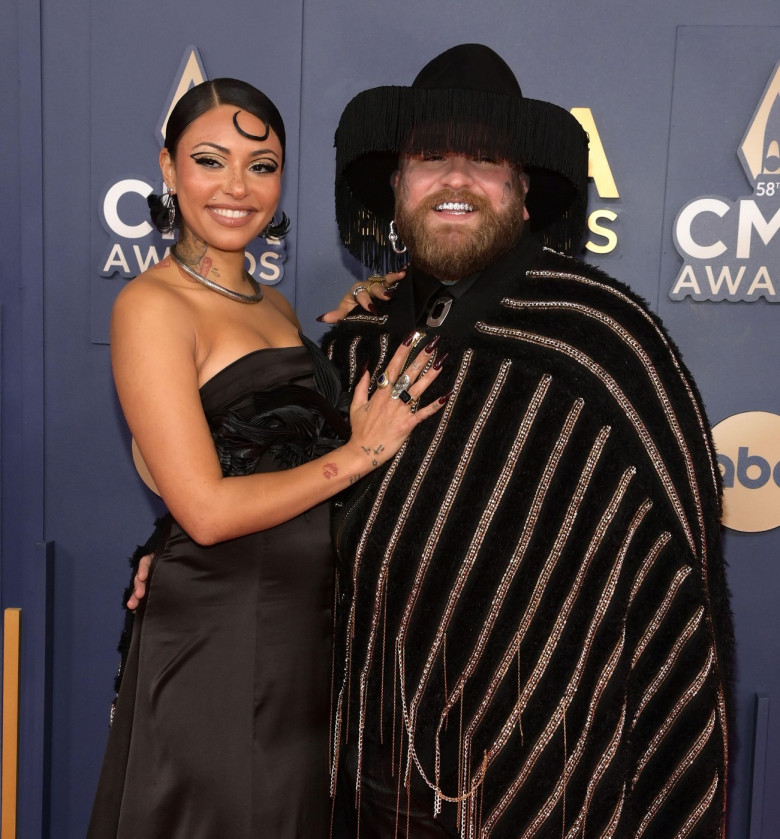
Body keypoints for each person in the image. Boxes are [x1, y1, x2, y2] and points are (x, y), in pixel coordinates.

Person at [319, 44, 733, 838]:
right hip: (357, 772)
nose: (455, 181)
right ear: (399, 187)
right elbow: (275, 504)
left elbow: (674, 589)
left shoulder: (606, 340)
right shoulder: (354, 341)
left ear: (522, 191)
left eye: (484, 160)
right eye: (431, 158)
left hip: (546, 777)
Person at [87, 77, 445, 839]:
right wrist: (359, 455)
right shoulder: (149, 306)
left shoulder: (275, 305)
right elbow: (209, 510)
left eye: (262, 164)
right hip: (220, 632)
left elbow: (259, 443)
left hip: (299, 636)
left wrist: (358, 323)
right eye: (210, 160)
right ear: (168, 167)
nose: (237, 188)